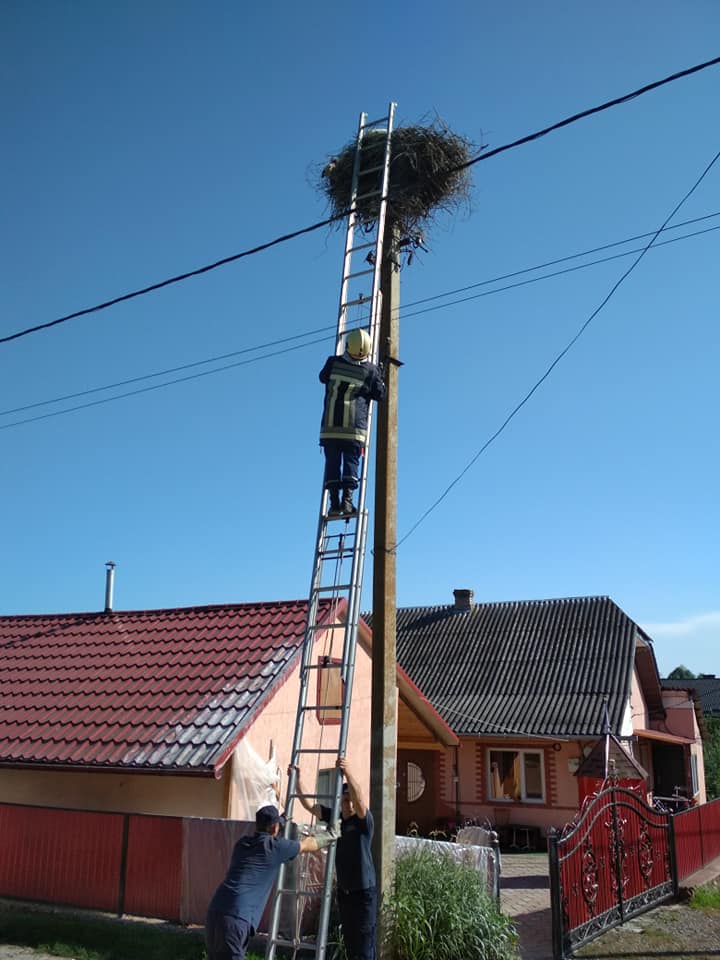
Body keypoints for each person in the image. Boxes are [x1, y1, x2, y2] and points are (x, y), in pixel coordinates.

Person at [205, 803, 336, 960]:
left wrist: (280, 820)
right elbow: (307, 844)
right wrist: (330, 834)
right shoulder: (275, 847)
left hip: (215, 911)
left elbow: (267, 832)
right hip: (237, 917)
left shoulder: (242, 844)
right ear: (275, 828)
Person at [293, 756, 377, 960]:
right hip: (345, 893)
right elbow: (310, 805)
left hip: (363, 894)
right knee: (351, 946)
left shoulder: (363, 823)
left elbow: (360, 800)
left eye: (350, 801)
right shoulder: (336, 820)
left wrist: (348, 771)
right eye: (344, 800)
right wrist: (298, 778)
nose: (348, 804)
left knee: (364, 948)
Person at [319, 328, 386, 518]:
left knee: (332, 464)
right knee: (351, 462)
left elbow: (322, 378)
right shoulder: (370, 371)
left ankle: (333, 503)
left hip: (330, 428)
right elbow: (380, 395)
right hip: (354, 430)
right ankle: (347, 502)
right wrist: (381, 376)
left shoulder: (332, 363)